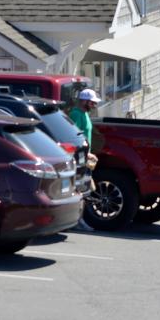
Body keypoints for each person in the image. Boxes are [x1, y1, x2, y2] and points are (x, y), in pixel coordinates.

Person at [69, 88, 102, 232]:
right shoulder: (76, 114)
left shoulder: (84, 114)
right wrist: (86, 154)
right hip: (79, 158)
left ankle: (78, 220)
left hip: (85, 157)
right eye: (92, 102)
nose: (94, 105)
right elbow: (74, 137)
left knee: (85, 190)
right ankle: (77, 221)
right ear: (84, 101)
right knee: (80, 190)